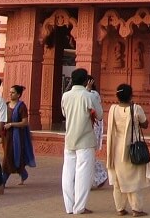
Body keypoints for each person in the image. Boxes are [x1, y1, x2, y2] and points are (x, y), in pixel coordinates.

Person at [61, 67, 104, 215]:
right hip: (85, 139)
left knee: (68, 173)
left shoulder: (65, 96)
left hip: (69, 138)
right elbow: (99, 115)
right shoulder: (89, 96)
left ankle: (69, 206)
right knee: (83, 175)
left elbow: (64, 113)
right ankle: (79, 207)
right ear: (86, 81)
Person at [106, 83, 150, 217]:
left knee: (118, 180)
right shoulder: (136, 109)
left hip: (116, 148)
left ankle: (120, 208)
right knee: (135, 179)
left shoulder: (113, 109)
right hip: (132, 148)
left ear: (117, 96)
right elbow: (146, 124)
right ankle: (136, 209)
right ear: (131, 95)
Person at [1, 84, 36, 185]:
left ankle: (3, 181)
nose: (10, 94)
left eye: (13, 92)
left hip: (17, 137)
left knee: (8, 157)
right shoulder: (6, 105)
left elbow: (25, 122)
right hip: (6, 136)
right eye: (10, 92)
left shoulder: (21, 107)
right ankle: (23, 172)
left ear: (18, 95)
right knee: (10, 155)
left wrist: (12, 124)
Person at [86, 75, 108, 189]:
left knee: (88, 155)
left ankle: (100, 176)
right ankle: (98, 177)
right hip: (84, 129)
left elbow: (95, 111)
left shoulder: (93, 94)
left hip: (93, 127)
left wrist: (87, 89)